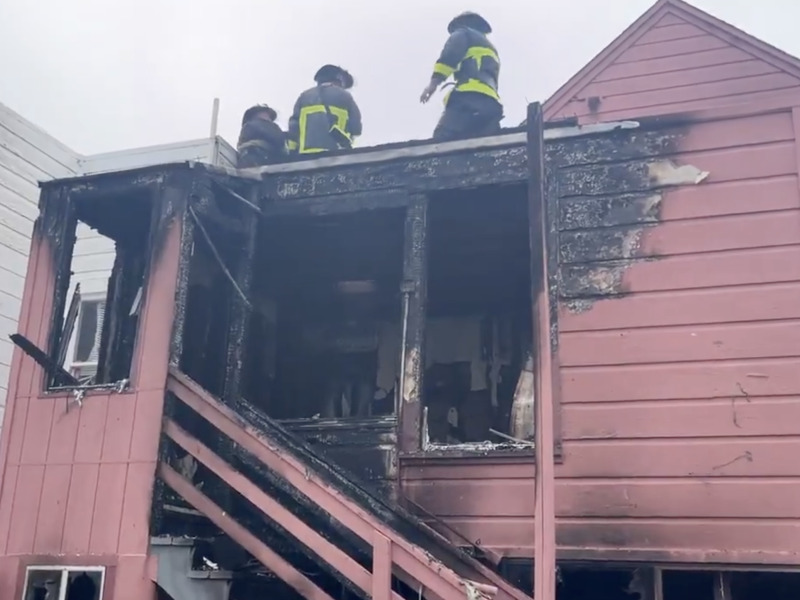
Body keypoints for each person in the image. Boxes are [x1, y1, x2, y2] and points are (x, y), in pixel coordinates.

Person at [421, 11, 503, 141]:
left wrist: (433, 84)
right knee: (481, 147)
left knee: (440, 142)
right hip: (490, 104)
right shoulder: (491, 48)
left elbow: (449, 57)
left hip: (467, 99)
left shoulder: (464, 33)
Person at [287, 64, 362, 154]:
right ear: (339, 80)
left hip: (306, 155)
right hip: (335, 154)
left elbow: (294, 128)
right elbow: (356, 129)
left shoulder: (304, 96)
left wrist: (292, 152)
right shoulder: (345, 96)